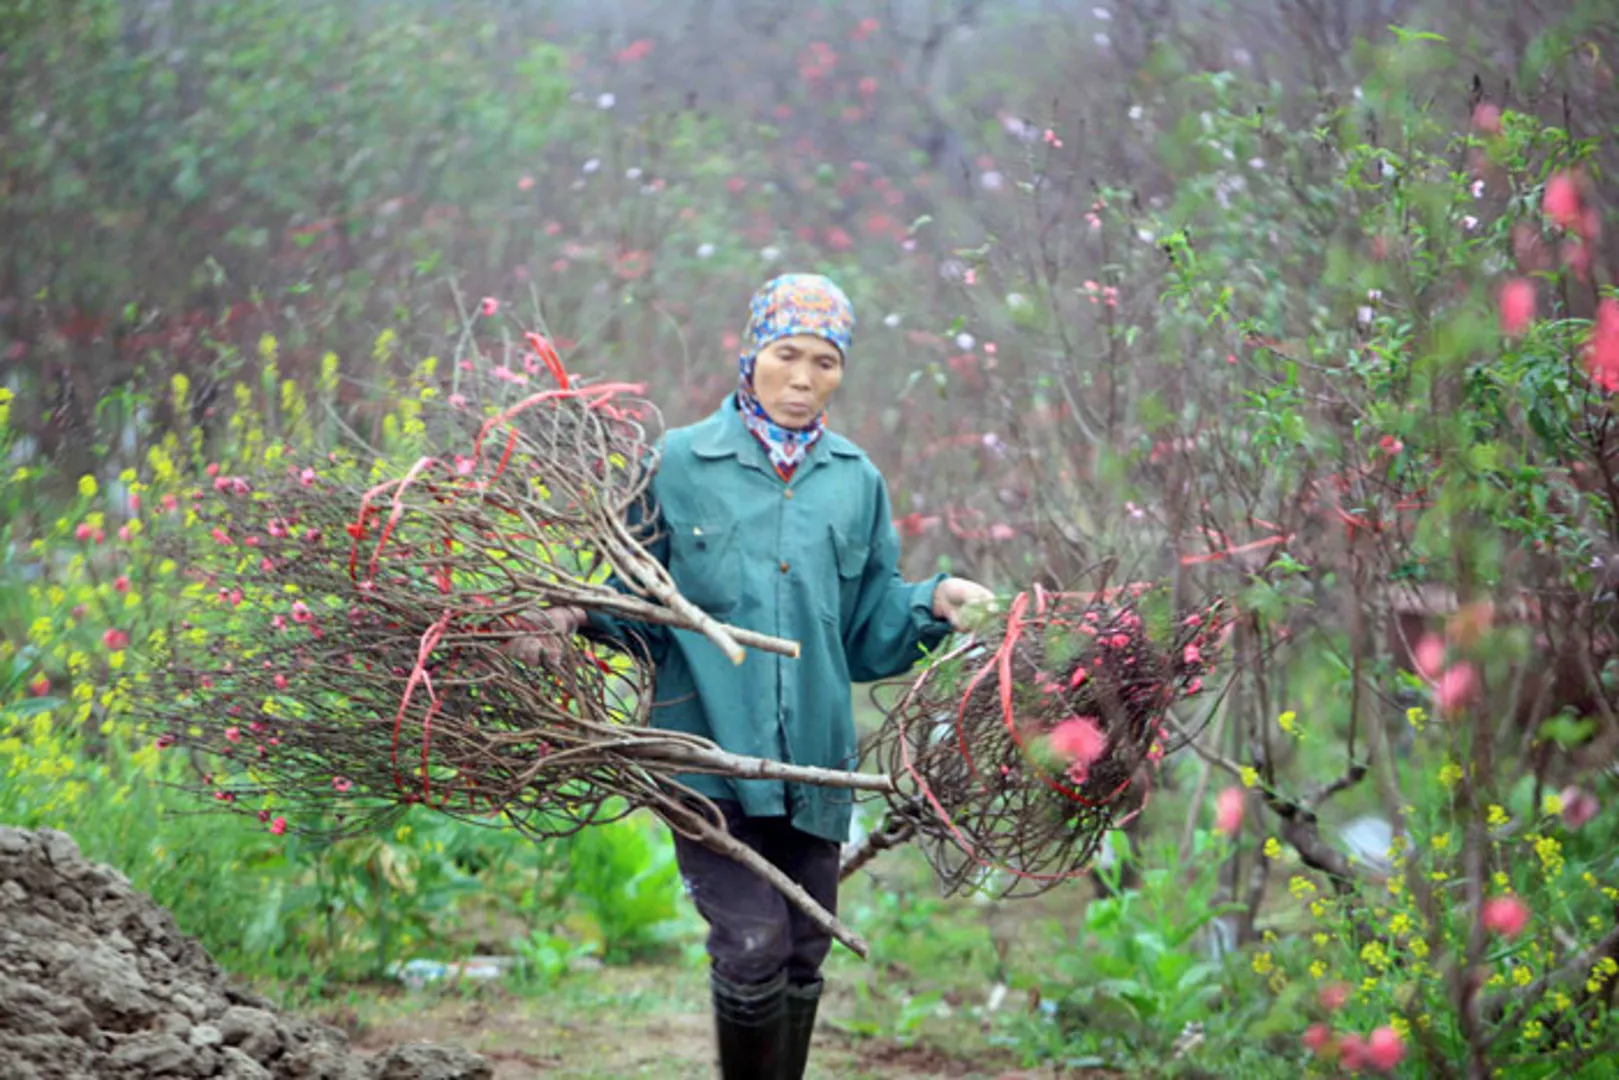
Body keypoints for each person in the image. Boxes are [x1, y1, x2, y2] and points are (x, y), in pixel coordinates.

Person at [517, 273, 993, 1079]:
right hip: (706, 755)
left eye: (825, 362)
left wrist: (933, 602)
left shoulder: (854, 480)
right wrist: (569, 613)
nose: (803, 380)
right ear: (749, 353)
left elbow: (866, 628)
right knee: (751, 942)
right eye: (786, 355)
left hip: (814, 759)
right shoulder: (677, 463)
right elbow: (634, 603)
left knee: (803, 951)